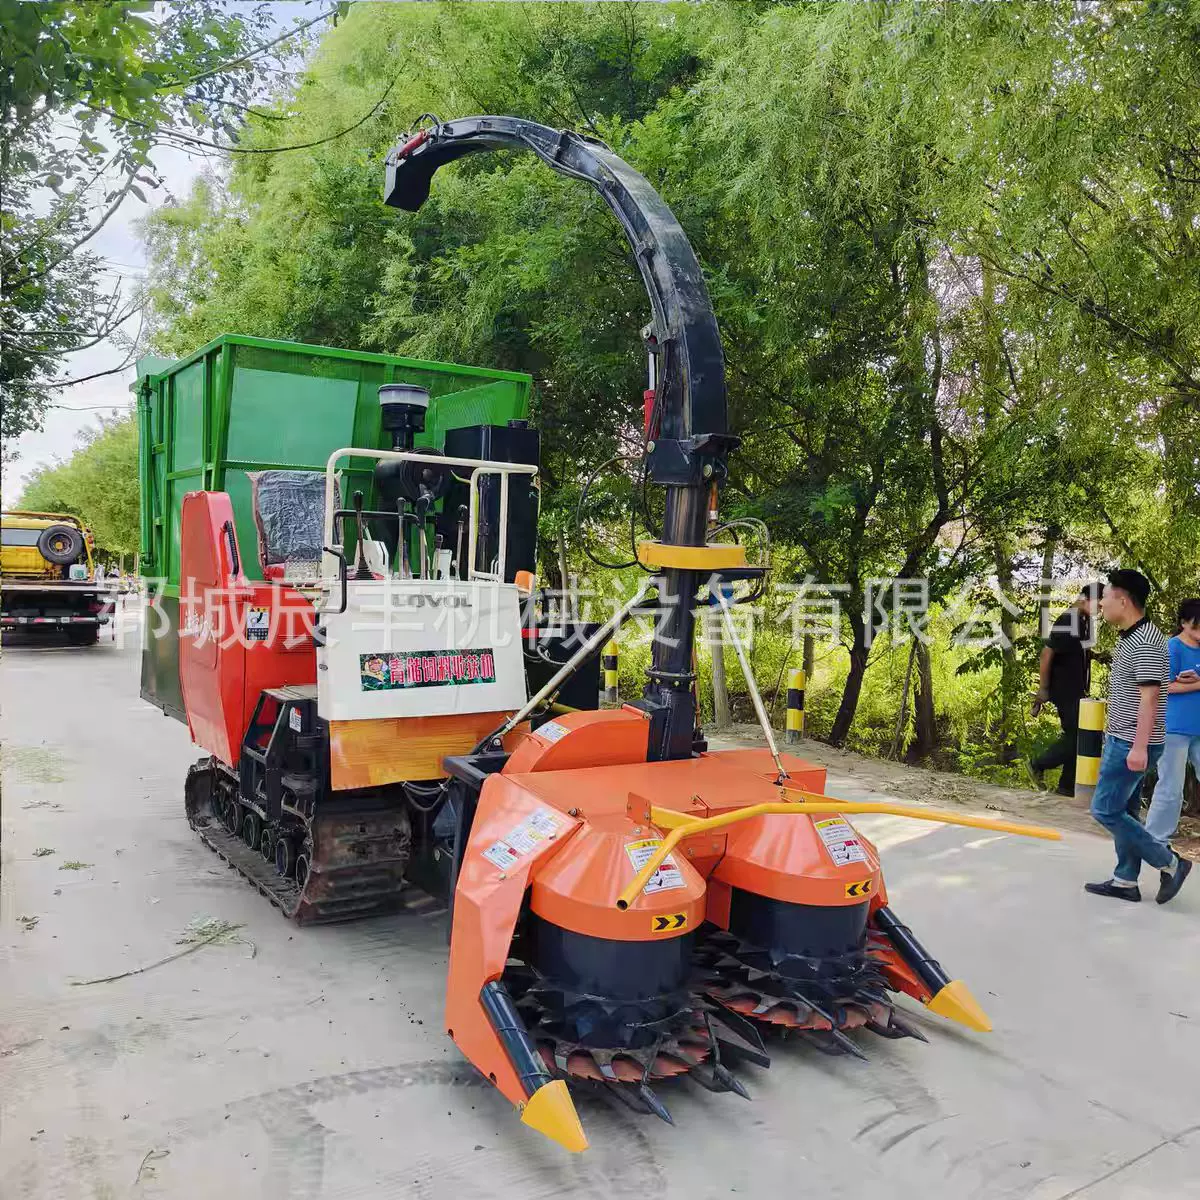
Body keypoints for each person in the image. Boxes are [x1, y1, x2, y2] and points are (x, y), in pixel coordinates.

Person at [1085, 568, 1191, 904]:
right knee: (1126, 813)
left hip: (1132, 741)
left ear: (1123, 599)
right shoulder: (1135, 636)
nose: (1101, 604)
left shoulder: (1144, 640)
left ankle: (1170, 862)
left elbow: (1150, 698)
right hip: (1129, 738)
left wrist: (1139, 747)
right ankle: (1125, 881)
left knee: (1104, 810)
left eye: (1105, 597)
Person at [1030, 583, 1102, 796]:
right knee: (1076, 737)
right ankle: (1038, 764)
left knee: (1079, 736)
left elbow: (1075, 651)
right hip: (1064, 690)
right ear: (1084, 599)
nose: (1102, 608)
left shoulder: (1084, 620)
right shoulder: (1068, 619)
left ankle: (1066, 787)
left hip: (1076, 689)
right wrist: (1043, 689)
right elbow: (1047, 654)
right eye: (1099, 602)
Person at [1144, 598, 1200, 846]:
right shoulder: (1172, 648)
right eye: (1197, 626)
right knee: (1171, 786)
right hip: (1175, 726)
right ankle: (1155, 838)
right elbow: (1162, 686)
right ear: (1184, 623)